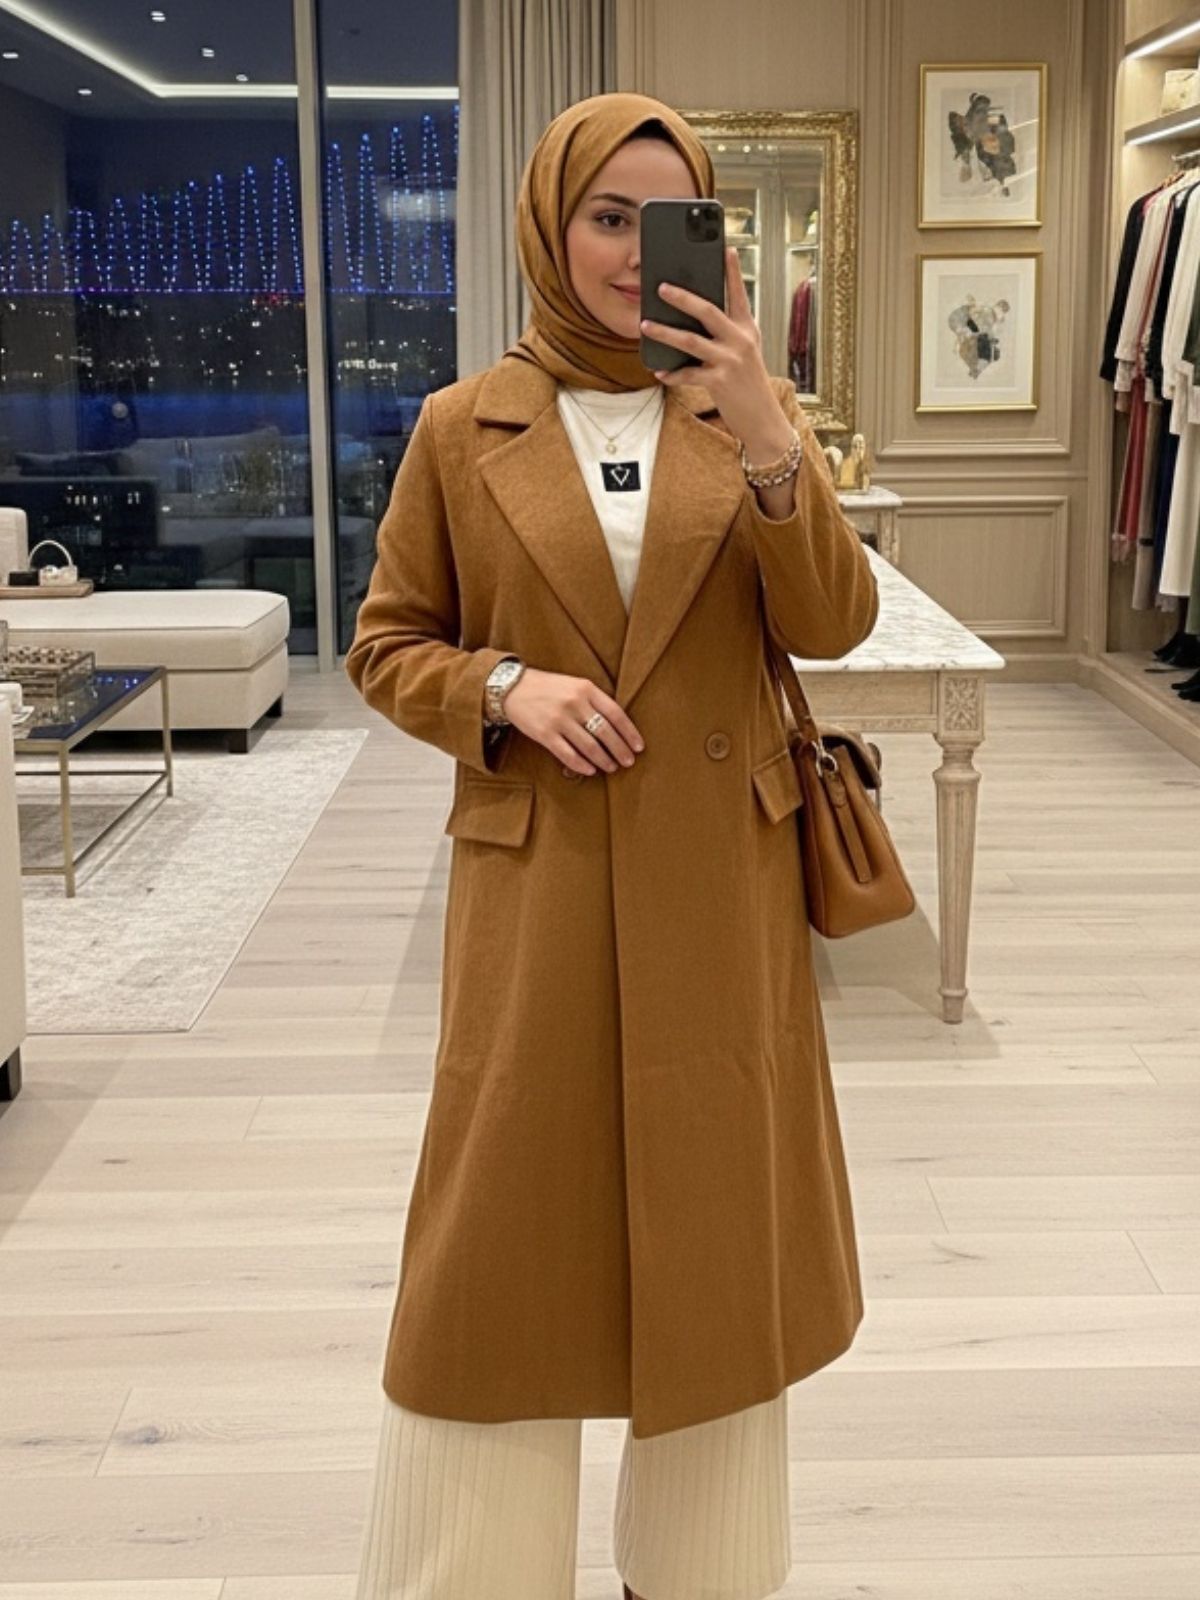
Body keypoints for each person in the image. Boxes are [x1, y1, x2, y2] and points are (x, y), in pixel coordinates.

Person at [345, 90, 879, 1600]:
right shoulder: (463, 425)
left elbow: (834, 623)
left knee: (717, 1247)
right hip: (543, 883)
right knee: (501, 1251)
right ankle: (473, 1574)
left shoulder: (744, 411)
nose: (638, 252)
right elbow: (387, 644)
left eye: (669, 218)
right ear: (549, 226)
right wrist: (503, 688)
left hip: (717, 882)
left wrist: (769, 433)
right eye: (606, 216)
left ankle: (704, 1574)